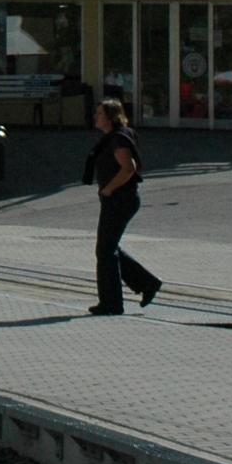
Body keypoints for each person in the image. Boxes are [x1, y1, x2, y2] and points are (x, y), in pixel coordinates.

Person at [85, 96, 161, 315]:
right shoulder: (116, 136)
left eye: (100, 113)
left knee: (105, 250)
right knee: (109, 248)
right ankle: (147, 283)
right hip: (119, 200)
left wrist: (109, 188)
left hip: (120, 200)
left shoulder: (118, 138)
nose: (95, 116)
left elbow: (129, 168)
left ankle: (112, 303)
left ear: (110, 117)